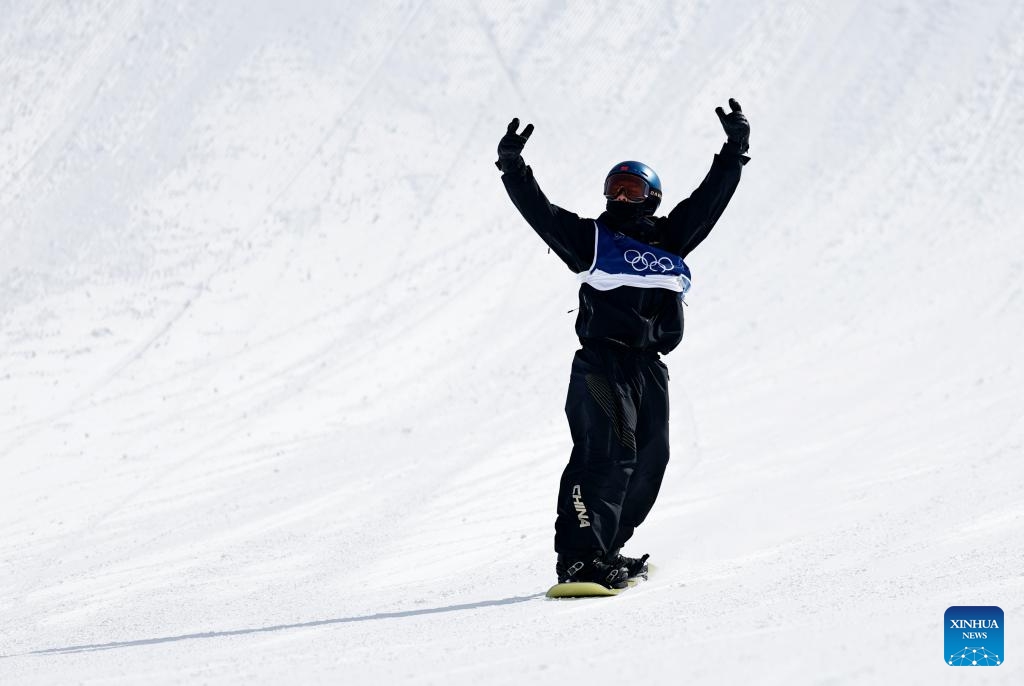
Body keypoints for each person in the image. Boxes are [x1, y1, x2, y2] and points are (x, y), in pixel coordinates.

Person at [496, 99, 750, 589]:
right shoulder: (592, 238)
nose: (623, 197)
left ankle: (607, 549)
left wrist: (733, 150)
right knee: (606, 455)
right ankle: (578, 557)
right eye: (615, 189)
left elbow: (710, 200)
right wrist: (514, 168)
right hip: (602, 362)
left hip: (649, 366)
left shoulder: (671, 239)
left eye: (633, 189)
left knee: (652, 459)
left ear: (652, 197)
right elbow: (542, 214)